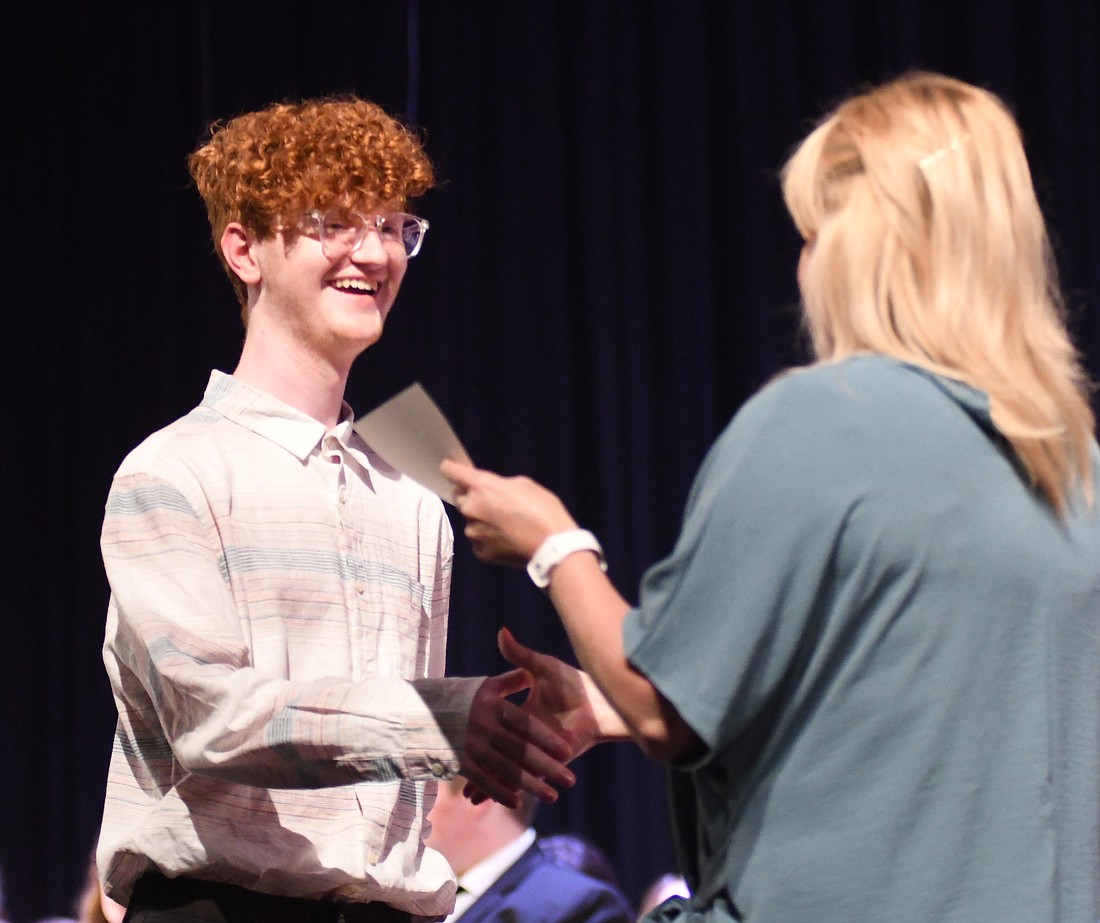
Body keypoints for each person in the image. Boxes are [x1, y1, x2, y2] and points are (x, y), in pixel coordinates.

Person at [441, 71, 1100, 922]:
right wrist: (602, 706)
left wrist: (554, 544)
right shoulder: (1069, 461)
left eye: (814, 232)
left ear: (865, 244)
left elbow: (659, 704)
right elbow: (910, 709)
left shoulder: (828, 420)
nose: (805, 261)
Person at [96, 96, 575, 923]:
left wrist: (505, 733)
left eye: (394, 226)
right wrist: (441, 720)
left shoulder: (413, 501)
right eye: (332, 222)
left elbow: (403, 783)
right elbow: (213, 720)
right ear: (244, 249)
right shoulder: (172, 472)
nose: (374, 251)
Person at [425, 776, 632, 922]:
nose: (400, 811)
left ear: (479, 796)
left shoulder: (579, 907)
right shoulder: (409, 902)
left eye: (419, 792)